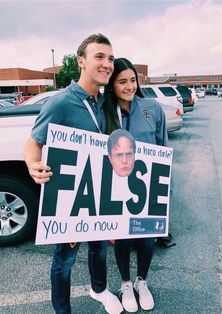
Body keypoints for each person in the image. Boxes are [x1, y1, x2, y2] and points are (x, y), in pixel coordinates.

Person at [23, 33, 123, 314]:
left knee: (100, 249)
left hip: (101, 194)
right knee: (65, 258)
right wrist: (33, 165)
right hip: (71, 199)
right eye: (99, 57)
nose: (107, 64)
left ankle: (100, 289)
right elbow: (34, 142)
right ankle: (62, 309)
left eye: (111, 58)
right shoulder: (60, 103)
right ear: (81, 61)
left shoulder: (108, 102)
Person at [103, 57, 168, 313]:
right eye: (122, 81)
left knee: (147, 239)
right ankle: (126, 283)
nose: (129, 86)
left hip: (148, 189)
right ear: (111, 85)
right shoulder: (104, 113)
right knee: (121, 239)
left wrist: (165, 195)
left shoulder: (153, 108)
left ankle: (142, 281)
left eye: (132, 80)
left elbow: (164, 150)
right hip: (117, 190)